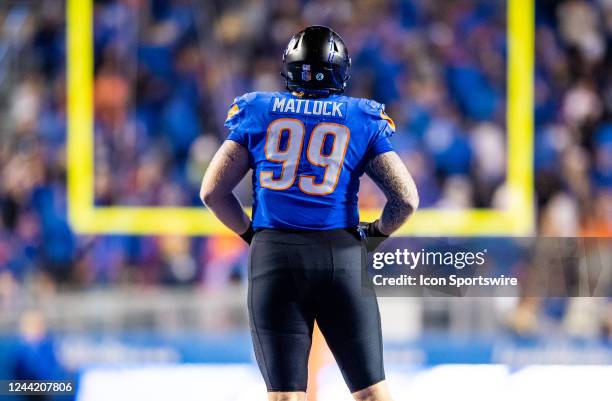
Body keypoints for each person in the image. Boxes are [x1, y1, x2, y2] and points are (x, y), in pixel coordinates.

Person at [200, 25, 419, 401]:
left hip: (275, 258)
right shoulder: (360, 116)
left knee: (286, 397)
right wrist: (375, 235)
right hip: (341, 256)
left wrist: (253, 235)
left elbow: (212, 192)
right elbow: (406, 199)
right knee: (371, 393)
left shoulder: (257, 109)